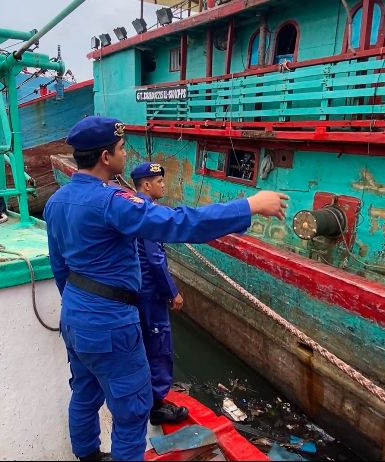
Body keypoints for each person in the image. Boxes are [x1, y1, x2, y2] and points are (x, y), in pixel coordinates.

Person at [44, 116, 287, 461]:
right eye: (121, 148)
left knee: (84, 392)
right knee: (133, 409)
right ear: (105, 157)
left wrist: (77, 307)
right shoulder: (113, 202)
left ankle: (87, 456)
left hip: (74, 313)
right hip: (111, 322)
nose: (125, 154)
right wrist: (250, 205)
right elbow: (178, 223)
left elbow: (59, 267)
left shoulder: (56, 201)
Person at [130, 162, 187, 426]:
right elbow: (155, 260)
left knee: (144, 344)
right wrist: (173, 292)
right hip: (151, 293)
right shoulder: (148, 213)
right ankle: (156, 405)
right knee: (159, 345)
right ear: (146, 185)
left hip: (137, 290)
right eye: (159, 182)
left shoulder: (132, 207)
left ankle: (147, 396)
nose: (164, 185)